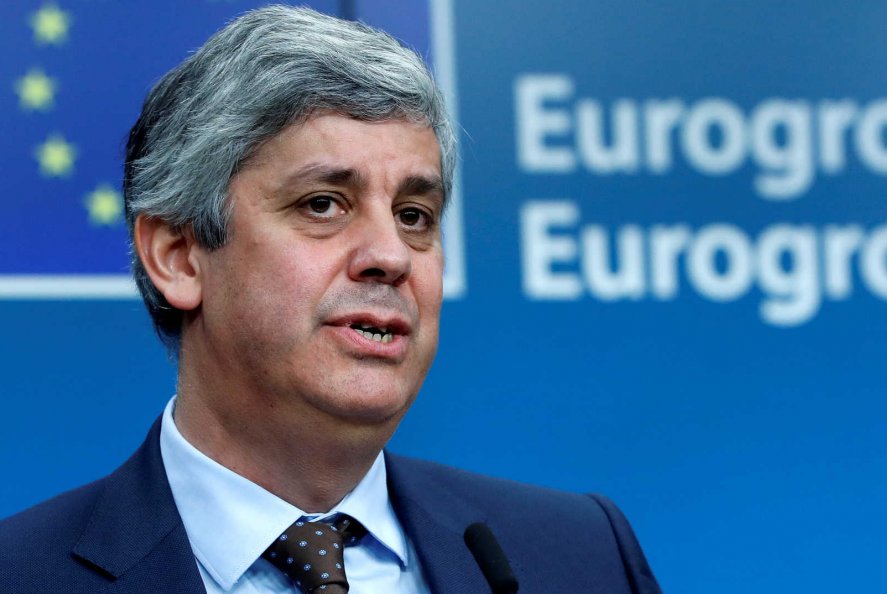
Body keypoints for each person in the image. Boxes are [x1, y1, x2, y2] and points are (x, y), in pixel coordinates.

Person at [0, 5, 660, 594]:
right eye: (323, 204)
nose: (391, 256)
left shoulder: (579, 556)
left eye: (414, 216)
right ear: (178, 255)